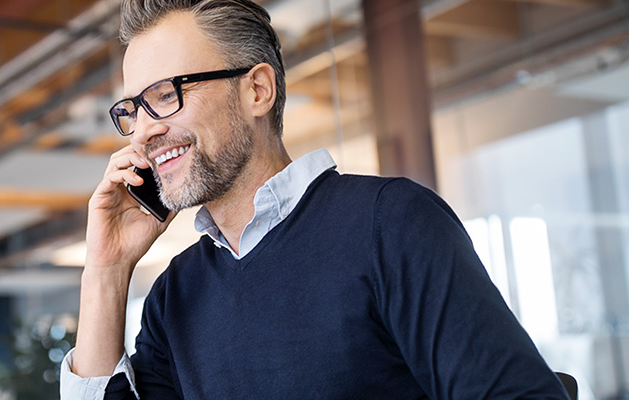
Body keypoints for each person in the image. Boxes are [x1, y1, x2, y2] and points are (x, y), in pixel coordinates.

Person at [60, 0, 570, 398]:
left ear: (257, 90)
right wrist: (105, 271)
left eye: (166, 95)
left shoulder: (389, 225)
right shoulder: (176, 295)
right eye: (132, 110)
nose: (144, 131)